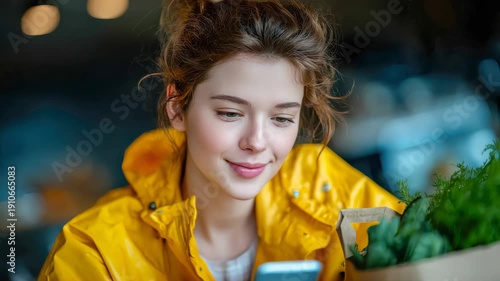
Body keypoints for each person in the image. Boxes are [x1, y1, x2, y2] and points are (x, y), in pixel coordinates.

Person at [38, 0, 404, 280]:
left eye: (281, 118)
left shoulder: (335, 192)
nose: (257, 142)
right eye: (231, 113)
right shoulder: (95, 250)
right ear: (177, 108)